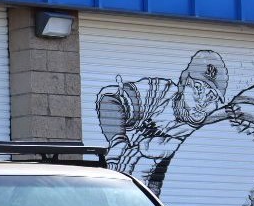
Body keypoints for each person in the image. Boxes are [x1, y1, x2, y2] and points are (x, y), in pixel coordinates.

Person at [96, 49, 229, 191]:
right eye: (198, 88)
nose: (202, 101)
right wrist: (118, 144)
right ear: (184, 81)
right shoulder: (162, 93)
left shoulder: (210, 129)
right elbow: (110, 98)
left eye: (211, 96)